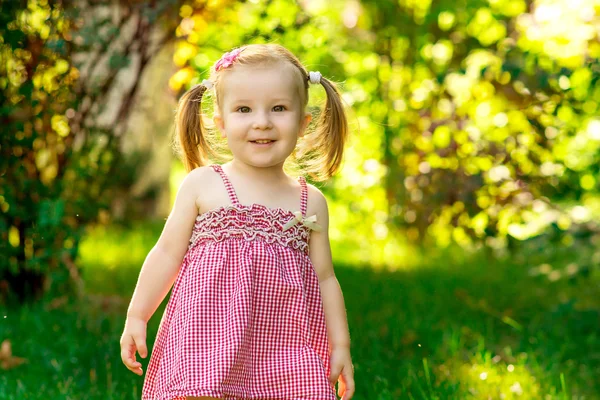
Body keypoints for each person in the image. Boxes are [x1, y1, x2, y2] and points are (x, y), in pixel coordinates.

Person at [120, 43, 355, 400]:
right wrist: (138, 315)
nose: (262, 121)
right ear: (222, 123)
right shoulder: (204, 185)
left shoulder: (310, 201)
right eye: (244, 109)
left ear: (303, 123)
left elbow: (325, 279)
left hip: (285, 346)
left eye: (279, 108)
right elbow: (167, 254)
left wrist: (340, 345)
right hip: (208, 340)